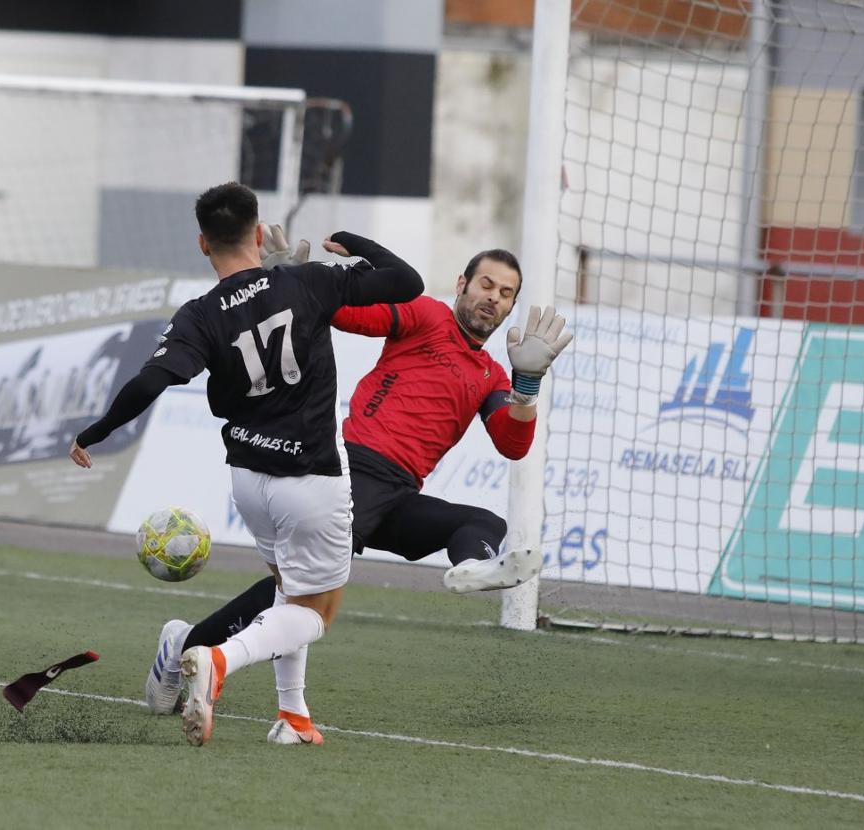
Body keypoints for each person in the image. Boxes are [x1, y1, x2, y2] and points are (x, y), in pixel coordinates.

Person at [143, 237, 573, 724]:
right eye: (485, 284)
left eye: (505, 293)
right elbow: (344, 312)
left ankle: (473, 565)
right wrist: (292, 284)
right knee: (304, 596)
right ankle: (191, 647)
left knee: (485, 524)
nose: (492, 297)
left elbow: (512, 444)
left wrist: (527, 386)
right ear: (462, 285)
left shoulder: (494, 376)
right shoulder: (426, 314)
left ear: (512, 306)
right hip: (356, 469)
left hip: (398, 494)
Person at [70, 182, 423, 747]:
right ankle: (218, 659)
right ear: (259, 234)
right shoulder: (306, 281)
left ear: (202, 245)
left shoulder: (200, 315)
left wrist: (95, 432)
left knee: (287, 587)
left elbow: (150, 381)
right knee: (317, 610)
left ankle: (293, 716)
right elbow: (407, 283)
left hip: (248, 483)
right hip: (310, 478)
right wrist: (347, 243)